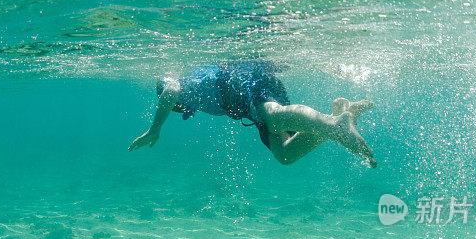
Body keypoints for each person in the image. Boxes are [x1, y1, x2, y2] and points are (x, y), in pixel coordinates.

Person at [128, 60, 377, 167]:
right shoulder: (192, 96)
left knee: (275, 115)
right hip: (248, 104)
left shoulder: (178, 86)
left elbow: (170, 91)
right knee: (285, 154)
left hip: (242, 81)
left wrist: (155, 128)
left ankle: (335, 125)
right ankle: (340, 117)